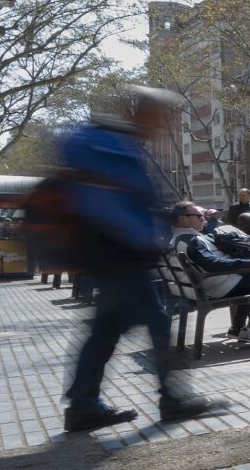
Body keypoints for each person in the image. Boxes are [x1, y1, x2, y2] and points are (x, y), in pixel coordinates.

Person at [59, 88, 219, 431]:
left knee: (105, 330)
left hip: (112, 253)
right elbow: (108, 203)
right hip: (120, 253)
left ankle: (83, 404)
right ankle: (171, 398)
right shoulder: (111, 146)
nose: (165, 126)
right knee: (158, 322)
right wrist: (142, 236)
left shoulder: (117, 145)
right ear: (142, 114)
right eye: (163, 117)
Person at [178, 209, 250, 344]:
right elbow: (211, 264)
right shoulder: (190, 240)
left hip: (212, 285)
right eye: (199, 216)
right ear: (182, 218)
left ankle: (249, 328)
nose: (203, 219)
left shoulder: (180, 239)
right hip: (220, 287)